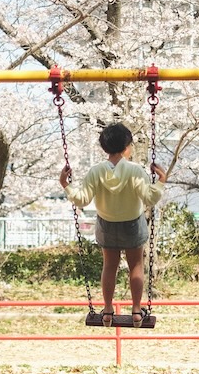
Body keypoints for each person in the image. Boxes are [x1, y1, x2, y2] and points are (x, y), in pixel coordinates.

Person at [59, 122, 167, 327]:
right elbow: (149, 198)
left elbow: (81, 200)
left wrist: (66, 184)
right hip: (132, 224)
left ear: (104, 148)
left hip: (106, 224)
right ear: (127, 147)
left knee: (109, 266)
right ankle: (136, 311)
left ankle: (107, 311)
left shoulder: (96, 171)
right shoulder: (135, 171)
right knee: (136, 266)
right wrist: (161, 180)